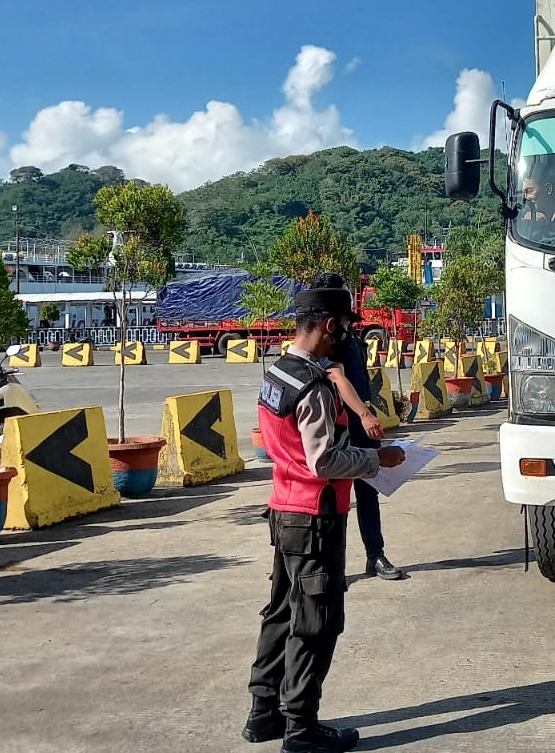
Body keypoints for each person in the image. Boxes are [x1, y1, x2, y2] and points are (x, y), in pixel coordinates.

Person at [245, 285, 404, 752]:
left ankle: (264, 713)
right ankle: (301, 728)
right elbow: (324, 461)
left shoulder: (278, 373)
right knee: (316, 621)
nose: (348, 336)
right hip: (316, 515)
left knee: (280, 612)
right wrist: (379, 460)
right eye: (346, 327)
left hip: (285, 510)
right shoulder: (313, 386)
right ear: (329, 325)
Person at [310, 272, 407, 581]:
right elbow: (337, 378)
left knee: (369, 491)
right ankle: (319, 563)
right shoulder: (325, 342)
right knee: (329, 496)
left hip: (362, 423)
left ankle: (374, 555)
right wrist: (364, 414)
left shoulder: (348, 335)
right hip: (338, 425)